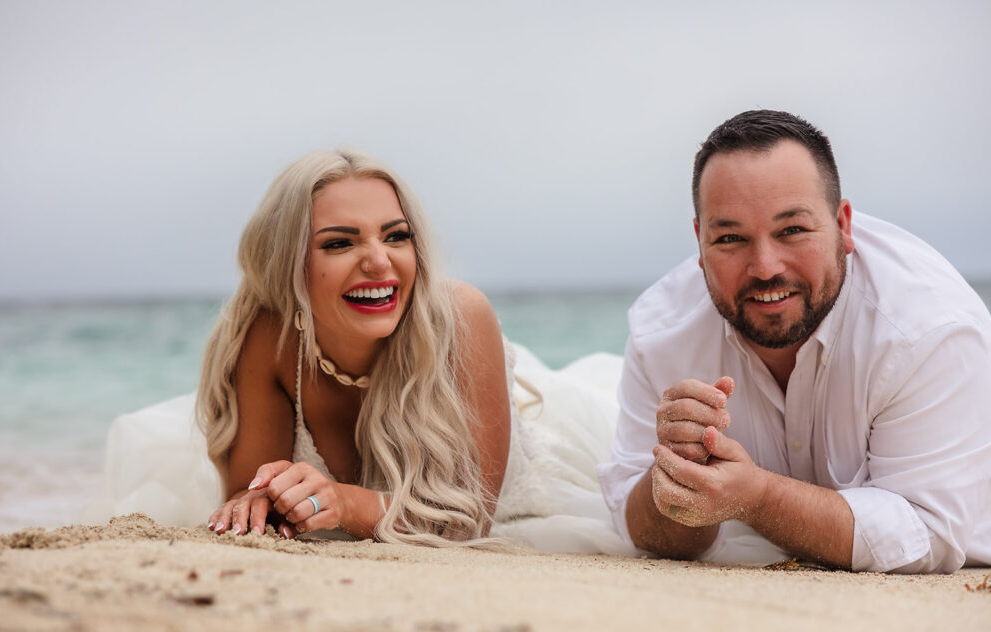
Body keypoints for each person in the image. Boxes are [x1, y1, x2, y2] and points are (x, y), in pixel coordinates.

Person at [86, 149, 636, 554]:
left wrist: (346, 504)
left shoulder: (463, 318)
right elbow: (248, 494)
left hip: (532, 493)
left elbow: (469, 522)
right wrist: (257, 500)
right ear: (289, 264)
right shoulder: (268, 338)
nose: (378, 261)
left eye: (395, 236)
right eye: (339, 243)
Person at [597, 110, 991, 573]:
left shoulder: (925, 329)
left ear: (844, 225)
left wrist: (757, 498)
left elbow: (929, 535)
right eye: (730, 238)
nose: (765, 266)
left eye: (792, 231)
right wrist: (680, 480)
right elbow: (633, 519)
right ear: (699, 244)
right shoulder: (660, 333)